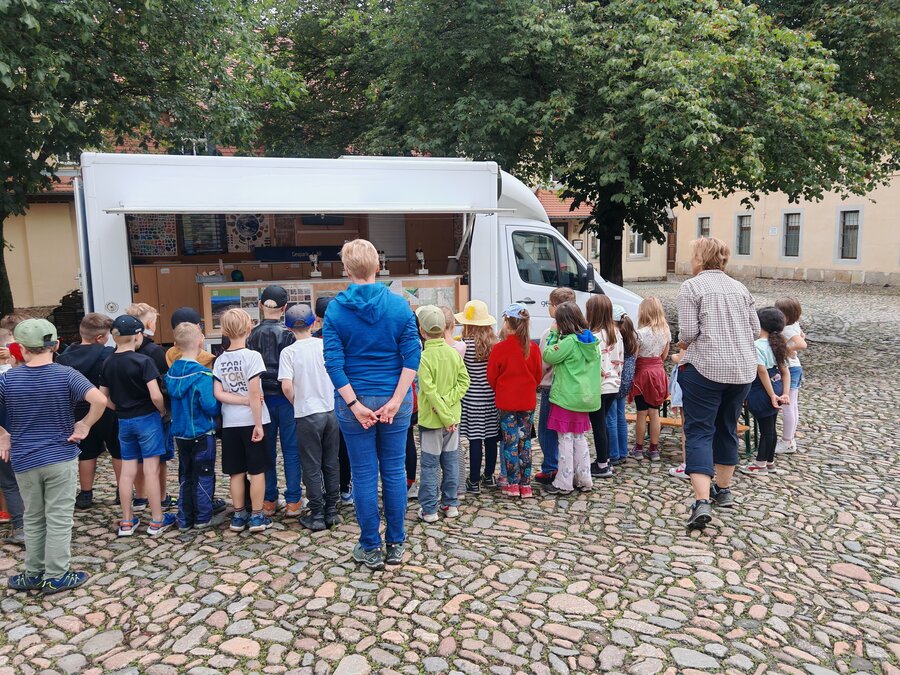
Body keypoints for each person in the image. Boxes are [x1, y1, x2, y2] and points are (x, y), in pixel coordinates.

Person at [323, 239, 421, 570]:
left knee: (364, 474)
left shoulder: (336, 310)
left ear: (347, 270)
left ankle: (370, 546)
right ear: (378, 266)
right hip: (395, 397)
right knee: (394, 470)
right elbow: (412, 355)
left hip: (356, 401)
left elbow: (333, 362)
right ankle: (395, 543)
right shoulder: (399, 306)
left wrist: (353, 404)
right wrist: (396, 400)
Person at [0, 318, 107, 593]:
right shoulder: (66, 375)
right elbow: (99, 400)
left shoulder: (8, 379)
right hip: (60, 455)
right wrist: (84, 424)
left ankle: (34, 573)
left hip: (24, 458)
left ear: (21, 349)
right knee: (59, 517)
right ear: (57, 344)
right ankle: (57, 574)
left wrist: (3, 435)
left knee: (33, 517)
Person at [677, 237, 759, 530]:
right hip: (742, 370)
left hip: (706, 369)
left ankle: (701, 501)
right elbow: (754, 330)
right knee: (727, 426)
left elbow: (688, 330)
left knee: (699, 431)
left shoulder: (692, 287)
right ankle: (723, 490)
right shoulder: (740, 288)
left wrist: (681, 346)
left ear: (699, 257)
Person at [99, 315, 175, 537]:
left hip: (124, 421)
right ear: (138, 335)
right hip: (147, 419)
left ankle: (126, 520)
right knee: (151, 470)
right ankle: (157, 520)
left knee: (126, 472)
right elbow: (155, 395)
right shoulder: (144, 362)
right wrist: (160, 410)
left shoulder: (108, 362)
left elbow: (104, 398)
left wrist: (119, 408)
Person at [278, 304, 342, 531]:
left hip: (306, 413)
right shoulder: (324, 345)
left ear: (288, 328)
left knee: (311, 465)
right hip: (330, 411)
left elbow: (286, 386)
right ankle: (332, 510)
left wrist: (298, 402)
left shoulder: (289, 352)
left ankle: (316, 513)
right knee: (331, 462)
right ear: (314, 323)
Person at [213, 308, 272, 533]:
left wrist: (240, 400)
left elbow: (218, 393)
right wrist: (257, 421)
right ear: (249, 329)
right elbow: (255, 392)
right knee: (257, 471)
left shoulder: (220, 360)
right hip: (253, 421)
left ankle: (238, 515)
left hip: (230, 423)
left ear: (225, 331)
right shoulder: (252, 357)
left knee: (236, 471)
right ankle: (257, 516)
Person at [57, 313, 119, 510]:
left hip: (78, 413)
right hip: (107, 409)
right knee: (117, 451)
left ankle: (85, 494)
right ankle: (122, 490)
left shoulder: (65, 357)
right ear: (99, 338)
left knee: (86, 453)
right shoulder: (108, 353)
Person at [248, 286, 301, 517]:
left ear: (260, 305)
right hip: (286, 397)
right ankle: (293, 501)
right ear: (284, 308)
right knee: (291, 449)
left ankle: (269, 500)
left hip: (262, 399)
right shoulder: (289, 335)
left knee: (266, 450)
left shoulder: (252, 335)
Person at [415, 305, 470, 521]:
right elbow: (464, 382)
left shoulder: (423, 357)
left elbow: (429, 392)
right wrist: (449, 406)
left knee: (429, 465)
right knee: (450, 462)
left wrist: (443, 410)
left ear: (422, 330)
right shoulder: (453, 353)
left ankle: (429, 509)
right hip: (453, 420)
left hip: (432, 420)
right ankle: (450, 503)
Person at [165, 322, 220, 531]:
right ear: (201, 341)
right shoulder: (202, 375)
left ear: (175, 345)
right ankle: (203, 517)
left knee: (185, 474)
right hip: (201, 431)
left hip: (180, 432)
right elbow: (210, 406)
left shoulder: (170, 375)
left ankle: (185, 518)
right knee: (204, 474)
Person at [541, 302, 601, 496]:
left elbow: (549, 356)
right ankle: (584, 478)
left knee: (565, 439)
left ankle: (564, 481)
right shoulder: (590, 341)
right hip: (583, 398)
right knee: (579, 438)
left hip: (566, 397)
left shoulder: (569, 342)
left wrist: (552, 335)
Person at [487, 304, 542, 498]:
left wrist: (501, 389)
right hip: (527, 402)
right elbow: (537, 375)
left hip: (507, 402)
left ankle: (512, 483)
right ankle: (526, 485)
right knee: (525, 442)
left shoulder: (500, 348)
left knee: (510, 443)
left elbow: (492, 376)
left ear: (508, 326)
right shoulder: (533, 348)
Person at [126, 303, 173, 509]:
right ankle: (161, 497)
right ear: (147, 324)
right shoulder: (155, 352)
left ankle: (140, 495)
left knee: (135, 458)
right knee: (158, 458)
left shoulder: (117, 354)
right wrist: (164, 410)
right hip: (154, 412)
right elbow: (164, 385)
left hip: (128, 414)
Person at [455, 300, 500, 494]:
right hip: (491, 400)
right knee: (491, 439)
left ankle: (473, 481)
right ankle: (488, 476)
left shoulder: (464, 345)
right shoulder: (495, 344)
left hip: (471, 400)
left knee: (475, 440)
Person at [741, 307, 791, 475]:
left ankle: (760, 463)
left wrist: (771, 395)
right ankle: (770, 462)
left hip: (761, 391)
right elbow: (785, 371)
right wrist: (785, 393)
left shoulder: (756, 346)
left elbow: (761, 371)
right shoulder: (779, 345)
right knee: (771, 427)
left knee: (766, 429)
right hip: (777, 387)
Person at [312, 296, 352, 505]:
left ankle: (323, 492)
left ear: (317, 318)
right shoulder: (344, 339)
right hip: (343, 400)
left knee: (318, 451)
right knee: (343, 449)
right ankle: (344, 489)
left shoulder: (310, 343)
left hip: (316, 405)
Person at [534, 288, 576, 486]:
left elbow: (544, 361)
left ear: (556, 307)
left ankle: (551, 466)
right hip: (572, 389)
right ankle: (569, 467)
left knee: (546, 430)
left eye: (550, 304)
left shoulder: (550, 333)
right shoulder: (579, 334)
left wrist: (536, 380)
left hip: (551, 386)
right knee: (568, 432)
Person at [586, 295, 623, 478]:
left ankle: (602, 464)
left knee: (598, 425)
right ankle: (605, 459)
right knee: (603, 423)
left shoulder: (592, 336)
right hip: (614, 384)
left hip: (599, 386)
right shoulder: (616, 333)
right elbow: (621, 358)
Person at [630, 297, 671, 461]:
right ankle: (654, 449)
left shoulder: (640, 334)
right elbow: (664, 355)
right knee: (654, 412)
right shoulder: (665, 332)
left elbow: (634, 355)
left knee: (641, 412)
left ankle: (638, 448)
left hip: (643, 373)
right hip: (658, 373)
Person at [775, 297, 806, 454]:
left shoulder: (786, 329)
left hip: (790, 368)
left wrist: (786, 350)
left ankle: (787, 441)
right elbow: (802, 335)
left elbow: (802, 343)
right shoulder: (794, 325)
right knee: (792, 405)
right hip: (796, 368)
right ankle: (790, 439)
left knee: (787, 406)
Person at [608, 305, 636, 466]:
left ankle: (614, 453)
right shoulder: (632, 340)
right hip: (625, 382)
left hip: (615, 382)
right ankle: (623, 451)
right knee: (620, 417)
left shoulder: (616, 338)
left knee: (611, 418)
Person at [667, 349, 689, 480]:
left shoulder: (690, 336)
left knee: (687, 427)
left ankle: (687, 464)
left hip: (688, 384)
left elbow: (682, 358)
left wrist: (674, 356)